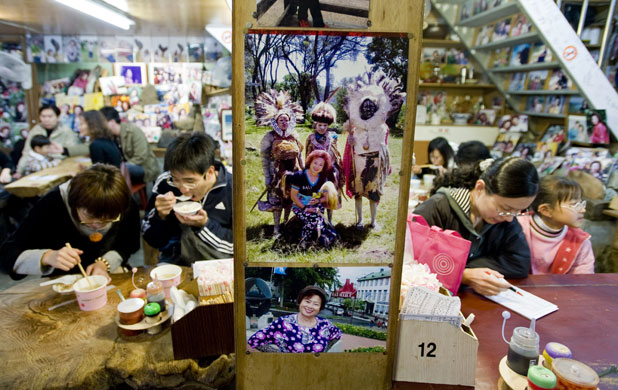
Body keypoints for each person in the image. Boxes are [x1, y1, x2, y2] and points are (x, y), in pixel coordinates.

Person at [414, 157, 539, 295]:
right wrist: (463, 275)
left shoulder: (504, 218)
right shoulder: (437, 208)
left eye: (518, 211)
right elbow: (410, 261)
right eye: (504, 208)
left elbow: (519, 263)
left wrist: (466, 269)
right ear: (480, 188)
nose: (509, 218)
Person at [1, 164, 140, 280]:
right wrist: (47, 256)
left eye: (109, 219)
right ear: (75, 203)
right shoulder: (52, 204)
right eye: (90, 217)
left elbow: (128, 244)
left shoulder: (122, 203)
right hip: (63, 281)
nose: (97, 225)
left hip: (109, 274)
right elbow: (7, 254)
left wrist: (105, 263)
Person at [142, 133, 233, 264]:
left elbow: (238, 246)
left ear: (210, 172)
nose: (183, 189)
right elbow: (151, 239)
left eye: (190, 181)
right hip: (173, 260)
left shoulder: (232, 189)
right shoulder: (165, 182)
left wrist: (204, 226)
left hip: (216, 263)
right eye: (176, 179)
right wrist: (159, 216)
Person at [516, 176, 594, 275]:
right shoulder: (517, 229)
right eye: (574, 205)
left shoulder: (579, 240)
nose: (583, 210)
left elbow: (583, 278)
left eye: (581, 203)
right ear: (546, 210)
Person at [256, 90, 304, 237]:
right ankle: (276, 228)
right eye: (281, 120)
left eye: (286, 120)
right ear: (276, 122)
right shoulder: (270, 137)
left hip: (293, 174)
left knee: (289, 199)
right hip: (276, 175)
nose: (284, 122)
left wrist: (304, 171)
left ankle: (285, 222)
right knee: (277, 202)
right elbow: (265, 158)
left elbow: (300, 154)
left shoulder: (294, 136)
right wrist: (267, 177)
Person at [247, 285, 341, 353]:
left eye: (316, 304)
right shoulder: (283, 323)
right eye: (307, 301)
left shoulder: (326, 325)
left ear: (320, 307)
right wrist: (277, 354)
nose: (310, 306)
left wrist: (324, 350)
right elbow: (255, 340)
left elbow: (336, 335)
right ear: (300, 301)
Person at [16, 104, 88, 177]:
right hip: (39, 170)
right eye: (43, 116)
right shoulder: (35, 130)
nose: (46, 119)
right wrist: (19, 171)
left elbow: (73, 150)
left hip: (61, 168)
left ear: (57, 117)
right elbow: (27, 152)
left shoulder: (66, 130)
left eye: (50, 116)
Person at [286, 150, 338, 249]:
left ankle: (319, 240)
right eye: (315, 163)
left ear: (323, 167)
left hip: (316, 206)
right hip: (300, 206)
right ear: (310, 162)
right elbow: (293, 196)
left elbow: (326, 196)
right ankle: (304, 242)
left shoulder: (323, 179)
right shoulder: (299, 176)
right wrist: (305, 208)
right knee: (313, 221)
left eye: (320, 165)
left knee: (319, 222)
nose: (316, 166)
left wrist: (318, 201)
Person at [305, 101, 344, 223]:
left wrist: (336, 169)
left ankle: (330, 221)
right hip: (315, 173)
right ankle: (318, 220)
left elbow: (336, 154)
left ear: (328, 126)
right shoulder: (311, 138)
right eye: (320, 125)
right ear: (315, 124)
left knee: (329, 196)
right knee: (316, 196)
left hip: (330, 172)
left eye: (325, 126)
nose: (322, 128)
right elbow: (307, 155)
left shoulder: (333, 137)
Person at [100, 107, 160, 184]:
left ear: (111, 121)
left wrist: (120, 167)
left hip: (145, 167)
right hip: (129, 167)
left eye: (102, 123)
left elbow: (141, 156)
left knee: (121, 169)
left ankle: (125, 195)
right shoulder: (111, 137)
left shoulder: (132, 131)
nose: (101, 126)